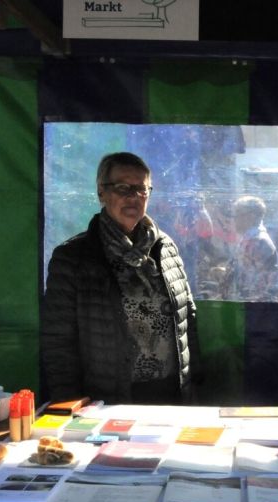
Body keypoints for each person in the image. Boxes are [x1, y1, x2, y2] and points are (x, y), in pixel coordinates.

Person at [41, 152, 199, 404]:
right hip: (105, 399)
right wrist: (68, 402)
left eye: (141, 189)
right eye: (122, 187)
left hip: (171, 394)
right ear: (101, 192)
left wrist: (193, 389)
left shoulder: (165, 248)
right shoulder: (73, 257)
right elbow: (58, 340)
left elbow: (187, 319)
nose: (132, 197)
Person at [227, 195, 278, 301]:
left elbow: (261, 283)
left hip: (257, 307)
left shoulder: (257, 241)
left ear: (250, 216)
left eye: (236, 215)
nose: (233, 220)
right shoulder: (251, 239)